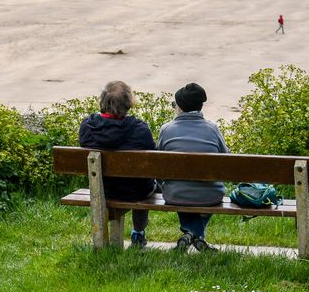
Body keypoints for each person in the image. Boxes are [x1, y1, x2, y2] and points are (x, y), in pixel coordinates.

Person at [78, 80, 157, 248]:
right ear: (128, 103)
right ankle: (138, 233)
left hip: (102, 189)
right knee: (146, 183)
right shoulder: (140, 129)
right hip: (136, 191)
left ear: (103, 101)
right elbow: (153, 158)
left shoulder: (87, 127)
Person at [158, 83, 230, 252]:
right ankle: (196, 235)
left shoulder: (166, 129)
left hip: (175, 194)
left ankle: (190, 233)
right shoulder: (213, 129)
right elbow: (226, 158)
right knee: (199, 190)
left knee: (180, 187)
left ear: (180, 108)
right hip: (210, 194)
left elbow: (158, 163)